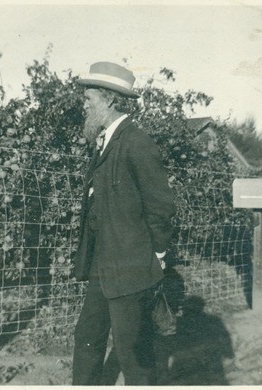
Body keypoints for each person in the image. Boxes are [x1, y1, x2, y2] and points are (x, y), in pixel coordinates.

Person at [72, 61, 176, 385]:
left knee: (133, 354)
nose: (84, 105)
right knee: (86, 338)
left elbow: (161, 207)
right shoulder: (103, 142)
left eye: (89, 99)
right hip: (103, 268)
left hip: (131, 269)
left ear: (109, 100)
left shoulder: (136, 142)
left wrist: (155, 257)